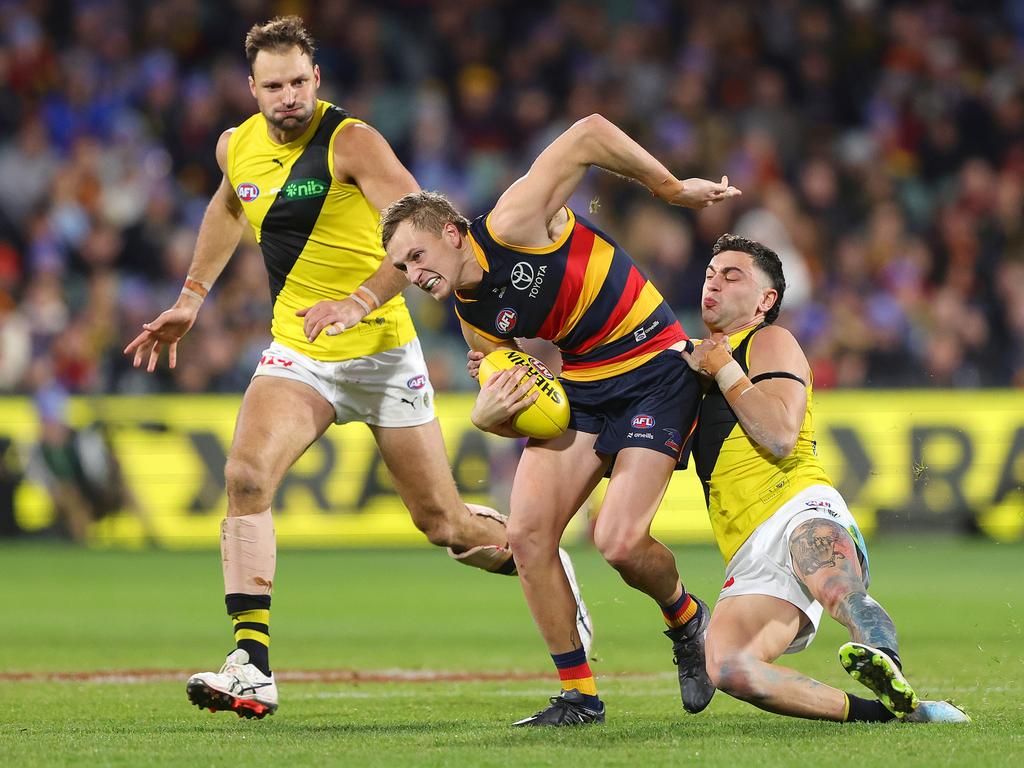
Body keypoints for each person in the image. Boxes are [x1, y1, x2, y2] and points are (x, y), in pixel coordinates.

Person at [123, 16, 591, 720]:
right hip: (299, 351)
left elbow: (426, 230)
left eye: (299, 82)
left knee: (444, 525)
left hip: (379, 352)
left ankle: (545, 569)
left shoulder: (353, 142)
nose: (288, 96)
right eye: (273, 85)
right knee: (246, 476)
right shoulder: (235, 148)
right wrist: (191, 298)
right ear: (251, 89)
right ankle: (251, 664)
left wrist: (358, 300)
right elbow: (226, 207)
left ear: (317, 80)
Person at [365, 114, 740, 726]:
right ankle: (580, 696)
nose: (412, 274)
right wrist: (491, 420)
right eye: (401, 268)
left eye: (416, 254)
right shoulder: (473, 321)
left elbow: (590, 133)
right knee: (527, 536)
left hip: (656, 366)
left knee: (616, 542)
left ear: (454, 233)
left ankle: (685, 618)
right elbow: (527, 405)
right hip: (586, 383)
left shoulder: (514, 220)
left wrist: (671, 190)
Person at [680, 232, 970, 724]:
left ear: (766, 299)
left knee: (834, 585)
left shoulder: (769, 340)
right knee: (729, 666)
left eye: (733, 277)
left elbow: (778, 436)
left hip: (797, 504)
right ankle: (893, 716)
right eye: (710, 275)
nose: (715, 285)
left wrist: (724, 368)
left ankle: (882, 654)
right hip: (747, 547)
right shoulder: (699, 363)